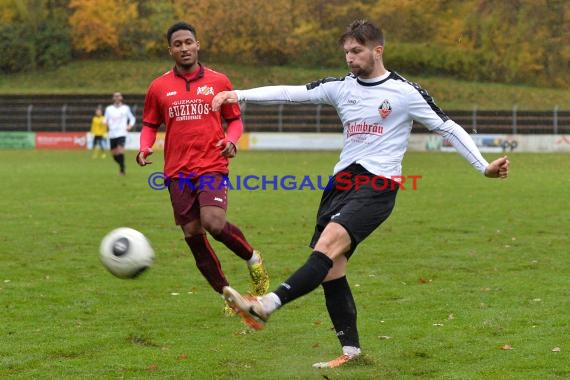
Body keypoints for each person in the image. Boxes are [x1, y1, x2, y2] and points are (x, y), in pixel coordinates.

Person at [213, 19, 509, 368]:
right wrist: (239, 94)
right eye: (346, 52)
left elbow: (447, 126)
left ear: (377, 50)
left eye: (356, 51)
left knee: (327, 247)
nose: (350, 58)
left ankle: (266, 305)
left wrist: (483, 166)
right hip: (341, 185)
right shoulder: (341, 88)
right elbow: (290, 92)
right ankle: (351, 353)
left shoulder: (405, 92)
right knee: (331, 268)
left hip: (379, 184)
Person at [136, 22, 269, 311]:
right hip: (177, 171)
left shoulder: (219, 81)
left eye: (188, 42)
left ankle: (252, 258)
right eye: (178, 44)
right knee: (193, 236)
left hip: (211, 164)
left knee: (214, 223)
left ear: (198, 45)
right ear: (170, 49)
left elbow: (233, 120)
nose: (184, 48)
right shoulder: (158, 87)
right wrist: (145, 146)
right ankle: (228, 296)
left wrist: (232, 141)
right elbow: (149, 124)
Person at [104, 92, 135, 175]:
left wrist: (129, 126)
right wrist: (105, 124)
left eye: (119, 96)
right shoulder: (109, 109)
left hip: (122, 133)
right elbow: (105, 119)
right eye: (115, 96)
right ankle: (122, 165)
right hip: (112, 133)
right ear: (113, 98)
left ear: (121, 98)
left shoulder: (126, 108)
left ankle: (122, 170)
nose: (117, 97)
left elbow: (132, 118)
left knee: (120, 150)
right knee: (114, 155)